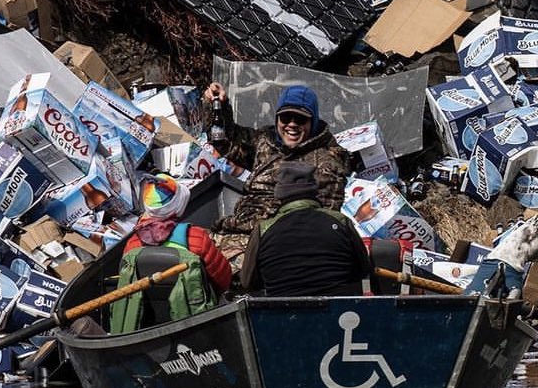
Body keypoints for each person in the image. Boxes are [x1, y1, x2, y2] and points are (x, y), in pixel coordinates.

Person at [203, 82, 352, 240]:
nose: (292, 124)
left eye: (301, 119)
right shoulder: (267, 142)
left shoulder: (326, 163)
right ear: (277, 119)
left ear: (313, 122)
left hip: (273, 239)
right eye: (286, 117)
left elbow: (321, 222)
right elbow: (224, 140)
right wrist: (218, 105)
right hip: (234, 227)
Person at [110, 174, 232, 333]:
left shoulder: (132, 245)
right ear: (178, 206)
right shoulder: (196, 238)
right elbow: (224, 280)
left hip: (149, 323)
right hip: (194, 320)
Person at [239, 162, 372, 297]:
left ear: (279, 195)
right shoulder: (340, 221)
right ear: (314, 190)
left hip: (283, 312)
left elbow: (247, 282)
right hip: (340, 312)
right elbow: (363, 269)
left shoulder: (263, 230)